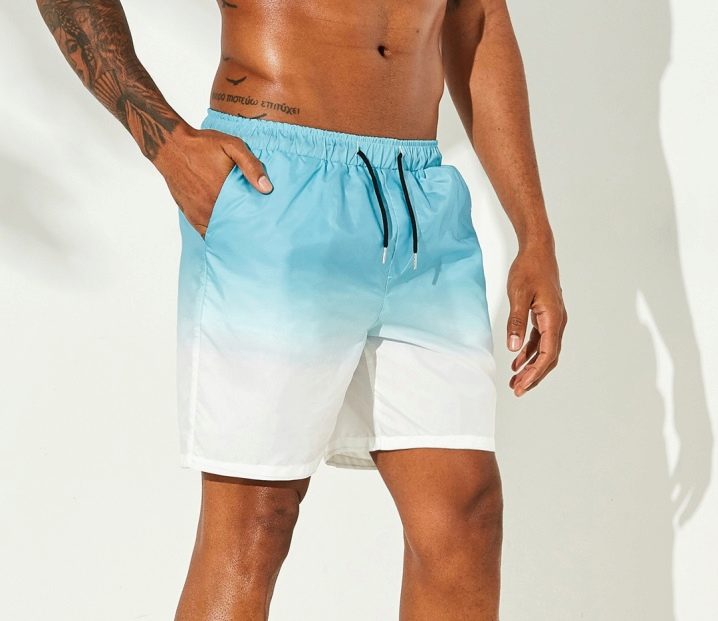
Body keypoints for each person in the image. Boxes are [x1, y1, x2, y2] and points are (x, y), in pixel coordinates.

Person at [37, 1, 567, 619]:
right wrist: (166, 142)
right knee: (256, 521)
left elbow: (477, 18)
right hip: (274, 183)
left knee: (465, 513)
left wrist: (535, 232)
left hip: (420, 202)